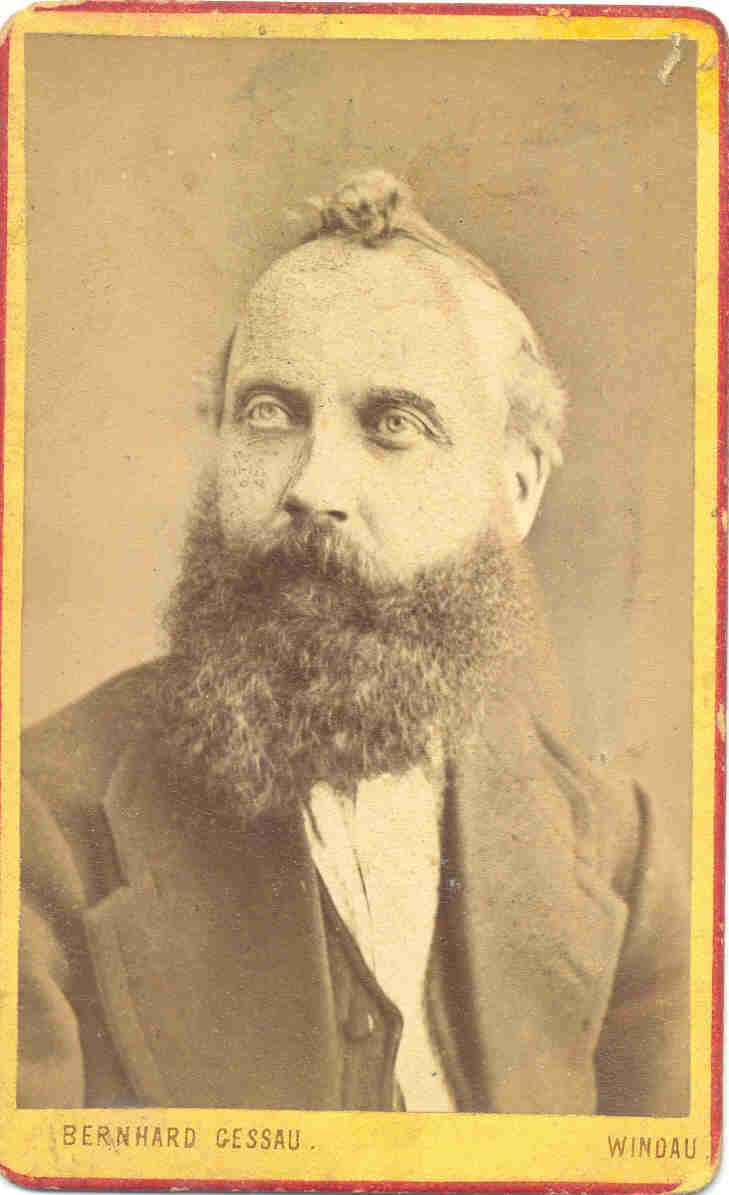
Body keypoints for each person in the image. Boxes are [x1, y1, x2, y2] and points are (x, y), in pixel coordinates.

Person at [18, 170, 688, 1114]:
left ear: (516, 488)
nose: (311, 484)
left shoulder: (620, 855)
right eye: (269, 413)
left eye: (392, 425)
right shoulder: (37, 830)